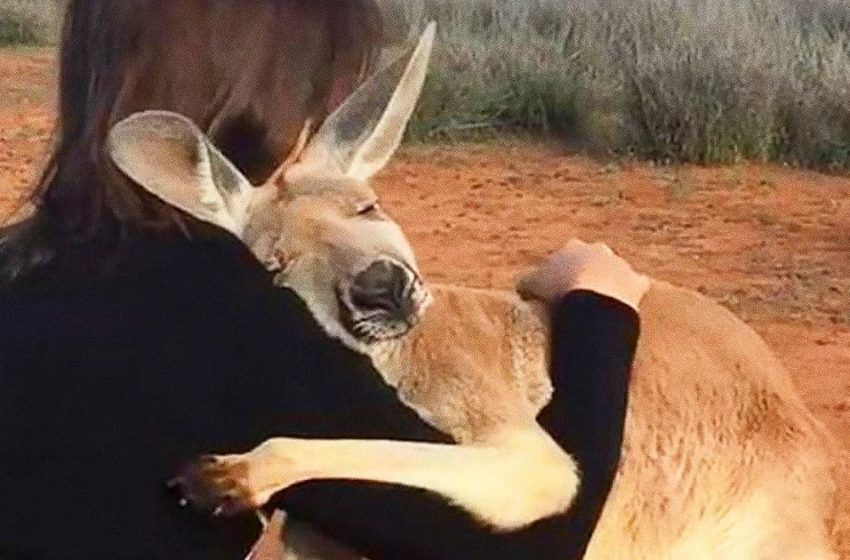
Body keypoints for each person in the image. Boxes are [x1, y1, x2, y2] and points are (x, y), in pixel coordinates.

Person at [0, 1, 647, 558]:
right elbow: (529, 543)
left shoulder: (23, 263)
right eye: (313, 92)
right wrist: (602, 313)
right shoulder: (236, 316)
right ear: (266, 103)